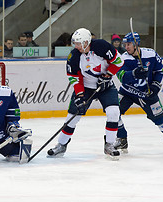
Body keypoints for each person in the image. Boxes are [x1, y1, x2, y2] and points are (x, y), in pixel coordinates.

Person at [47, 27, 124, 159]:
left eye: (79, 43)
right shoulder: (74, 56)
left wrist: (108, 75)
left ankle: (109, 144)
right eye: (75, 43)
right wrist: (80, 95)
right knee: (73, 117)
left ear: (87, 42)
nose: (76, 46)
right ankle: (61, 145)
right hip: (86, 88)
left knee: (114, 112)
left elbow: (118, 61)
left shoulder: (102, 46)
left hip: (104, 86)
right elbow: (74, 77)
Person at [114, 32, 163, 152]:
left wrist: (155, 85)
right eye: (125, 44)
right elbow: (121, 76)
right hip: (127, 92)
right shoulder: (123, 58)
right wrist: (134, 73)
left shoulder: (151, 54)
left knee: (162, 121)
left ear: (136, 44)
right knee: (113, 111)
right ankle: (122, 139)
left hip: (147, 93)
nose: (126, 47)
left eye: (129, 44)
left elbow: (160, 70)